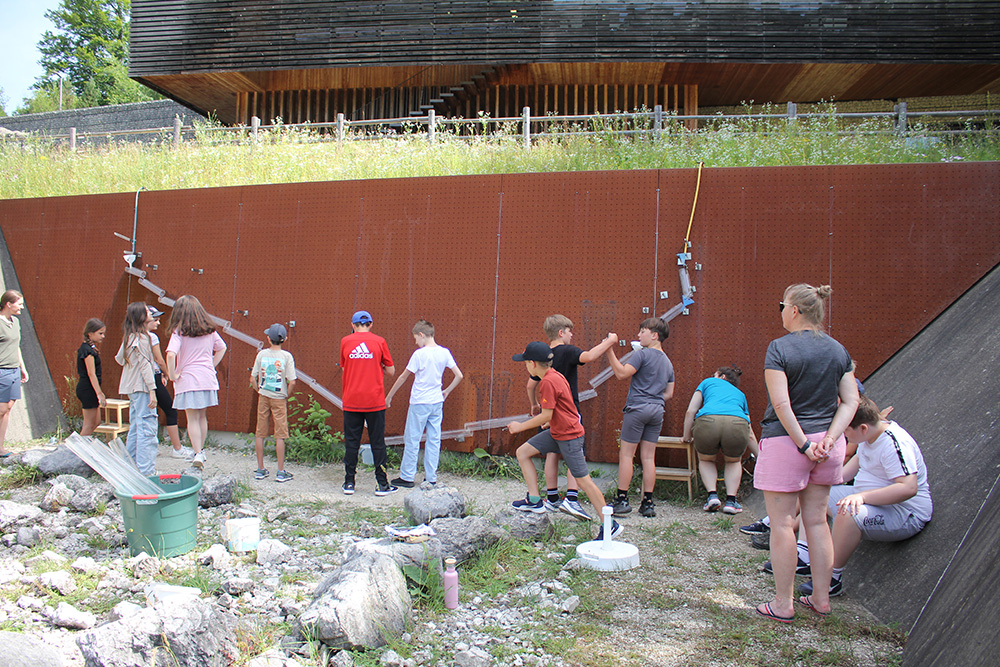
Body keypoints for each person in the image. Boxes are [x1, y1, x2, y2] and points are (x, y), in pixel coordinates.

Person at [753, 283, 859, 623]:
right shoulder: (838, 350)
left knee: (783, 524)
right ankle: (821, 598)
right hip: (829, 446)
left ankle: (783, 604)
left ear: (794, 310)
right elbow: (851, 401)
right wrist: (829, 438)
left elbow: (781, 404)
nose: (781, 311)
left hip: (787, 442)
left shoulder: (779, 348)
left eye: (781, 305)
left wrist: (803, 444)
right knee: (816, 520)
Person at [796, 396, 931, 599]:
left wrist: (862, 497)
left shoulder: (894, 444)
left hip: (905, 512)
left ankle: (832, 578)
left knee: (848, 511)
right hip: (872, 502)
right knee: (816, 494)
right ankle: (805, 556)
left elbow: (908, 488)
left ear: (863, 428)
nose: (843, 436)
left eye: (845, 431)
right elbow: (844, 475)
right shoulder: (869, 437)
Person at [507, 342, 621, 540]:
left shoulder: (548, 382)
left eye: (525, 362)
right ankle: (534, 500)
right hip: (557, 431)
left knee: (583, 481)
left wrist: (520, 426)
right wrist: (551, 421)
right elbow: (561, 408)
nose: (525, 365)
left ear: (532, 364)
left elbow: (545, 414)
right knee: (522, 452)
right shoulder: (554, 375)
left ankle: (609, 524)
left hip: (569, 437)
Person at [526, 315, 617, 520]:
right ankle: (572, 499)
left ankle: (551, 497)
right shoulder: (567, 351)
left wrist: (534, 404)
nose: (572, 335)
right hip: (568, 412)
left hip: (549, 412)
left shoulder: (543, 356)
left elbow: (530, 385)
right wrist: (610, 342)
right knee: (576, 454)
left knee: (552, 452)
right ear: (561, 333)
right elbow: (590, 356)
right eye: (569, 331)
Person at [604, 317, 675, 518]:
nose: (638, 335)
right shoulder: (668, 362)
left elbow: (621, 373)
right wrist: (653, 397)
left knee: (627, 455)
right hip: (657, 410)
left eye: (642, 331)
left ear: (654, 335)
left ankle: (622, 499)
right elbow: (669, 393)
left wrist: (609, 348)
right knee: (648, 457)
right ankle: (648, 503)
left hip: (637, 408)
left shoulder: (643, 355)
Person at [385, 319, 463, 488]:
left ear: (421, 335)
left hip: (420, 402)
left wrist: (389, 396)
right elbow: (459, 375)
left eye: (415, 339)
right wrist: (447, 391)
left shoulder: (419, 355)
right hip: (437, 401)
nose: (415, 342)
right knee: (434, 439)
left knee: (413, 438)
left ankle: (407, 476)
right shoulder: (444, 352)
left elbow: (403, 376)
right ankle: (431, 477)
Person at [682, 365, 756, 514]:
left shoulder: (707, 382)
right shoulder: (740, 394)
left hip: (708, 421)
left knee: (706, 459)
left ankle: (712, 496)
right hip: (737, 423)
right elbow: (749, 430)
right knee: (734, 461)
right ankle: (731, 501)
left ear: (722, 376)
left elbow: (691, 411)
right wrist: (761, 457)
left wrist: (686, 436)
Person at [166, 295, 227, 470]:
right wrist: (211, 364)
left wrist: (173, 374)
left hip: (189, 379)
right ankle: (201, 451)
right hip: (207, 378)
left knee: (191, 418)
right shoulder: (209, 330)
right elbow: (222, 348)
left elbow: (171, 354)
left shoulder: (179, 331)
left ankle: (197, 452)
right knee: (202, 416)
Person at [340, 310, 395, 496]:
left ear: (353, 325)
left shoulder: (345, 341)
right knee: (377, 442)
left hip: (351, 399)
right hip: (375, 400)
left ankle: (349, 482)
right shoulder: (379, 342)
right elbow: (391, 371)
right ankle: (382, 484)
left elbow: (344, 366)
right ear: (371, 324)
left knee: (351, 442)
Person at [115, 302, 159, 475]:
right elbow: (145, 366)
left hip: (129, 386)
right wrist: (152, 390)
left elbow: (119, 358)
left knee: (136, 426)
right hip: (141, 387)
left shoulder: (129, 336)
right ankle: (145, 472)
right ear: (142, 317)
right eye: (147, 311)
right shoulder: (143, 338)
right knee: (147, 427)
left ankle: (129, 468)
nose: (150, 313)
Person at [251, 323, 297, 483]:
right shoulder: (287, 356)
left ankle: (260, 468)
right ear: (284, 339)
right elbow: (292, 381)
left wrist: (259, 390)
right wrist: (286, 395)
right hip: (279, 397)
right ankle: (280, 471)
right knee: (280, 434)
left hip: (263, 395)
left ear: (268, 338)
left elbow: (253, 377)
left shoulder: (262, 354)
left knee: (260, 431)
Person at [147, 305, 193, 460]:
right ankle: (177, 448)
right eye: (155, 320)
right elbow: (159, 359)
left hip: (144, 378)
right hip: (153, 377)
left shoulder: (132, 336)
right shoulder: (152, 337)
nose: (158, 323)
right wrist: (169, 374)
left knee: (146, 412)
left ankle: (147, 446)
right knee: (170, 409)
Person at [0, 290, 29, 458]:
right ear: (8, 304)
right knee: (1, 408)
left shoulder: (16, 322)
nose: (22, 307)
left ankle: (1, 447)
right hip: (2, 370)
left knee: (8, 408)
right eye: (19, 304)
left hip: (14, 370)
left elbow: (16, 346)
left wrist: (22, 367)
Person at [76, 318, 107, 436]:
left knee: (96, 422)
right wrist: (99, 393)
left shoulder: (91, 348)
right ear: (90, 333)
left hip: (91, 389)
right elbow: (91, 373)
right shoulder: (86, 350)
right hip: (87, 389)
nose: (102, 336)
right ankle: (77, 450)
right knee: (89, 424)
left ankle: (84, 447)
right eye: (100, 333)